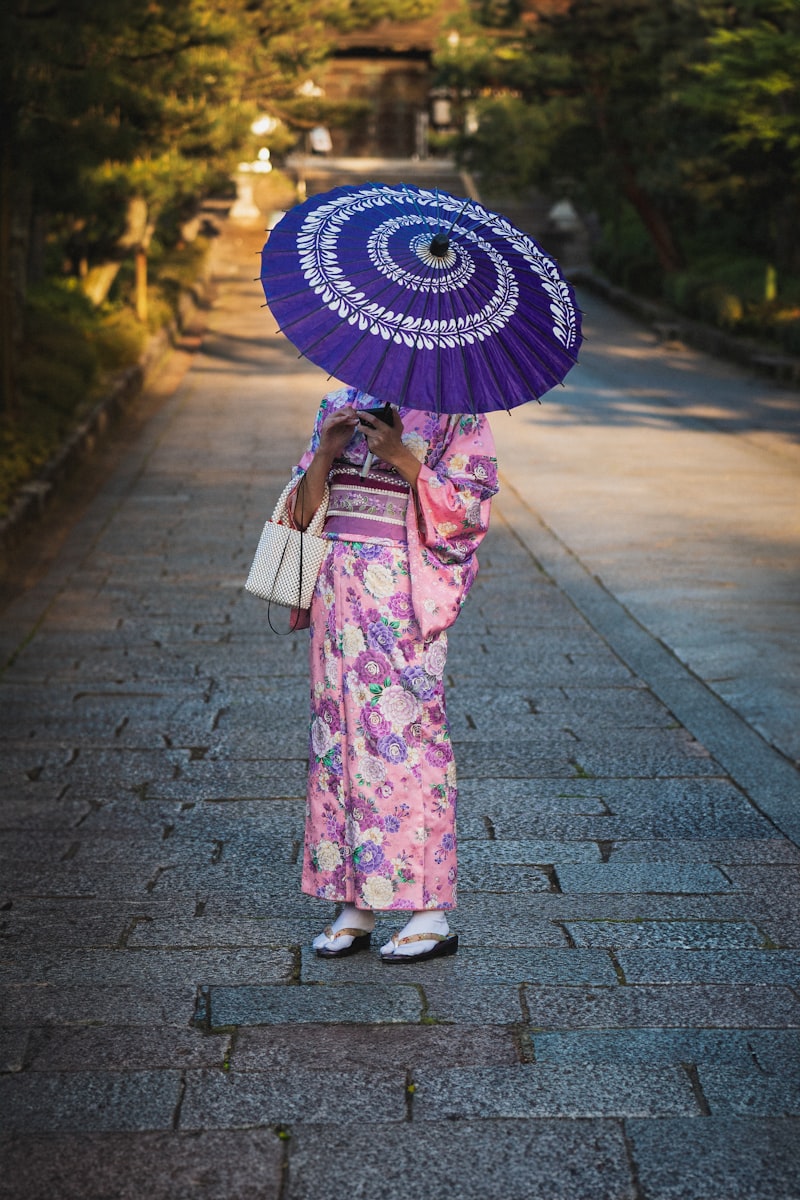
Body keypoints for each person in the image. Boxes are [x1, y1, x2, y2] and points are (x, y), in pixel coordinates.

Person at [288, 385, 498, 961]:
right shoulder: (341, 403)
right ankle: (355, 899)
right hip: (337, 588)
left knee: (406, 737)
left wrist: (404, 459)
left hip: (402, 594)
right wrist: (328, 451)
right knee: (339, 741)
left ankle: (430, 910)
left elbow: (470, 514)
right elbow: (301, 515)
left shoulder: (457, 409)